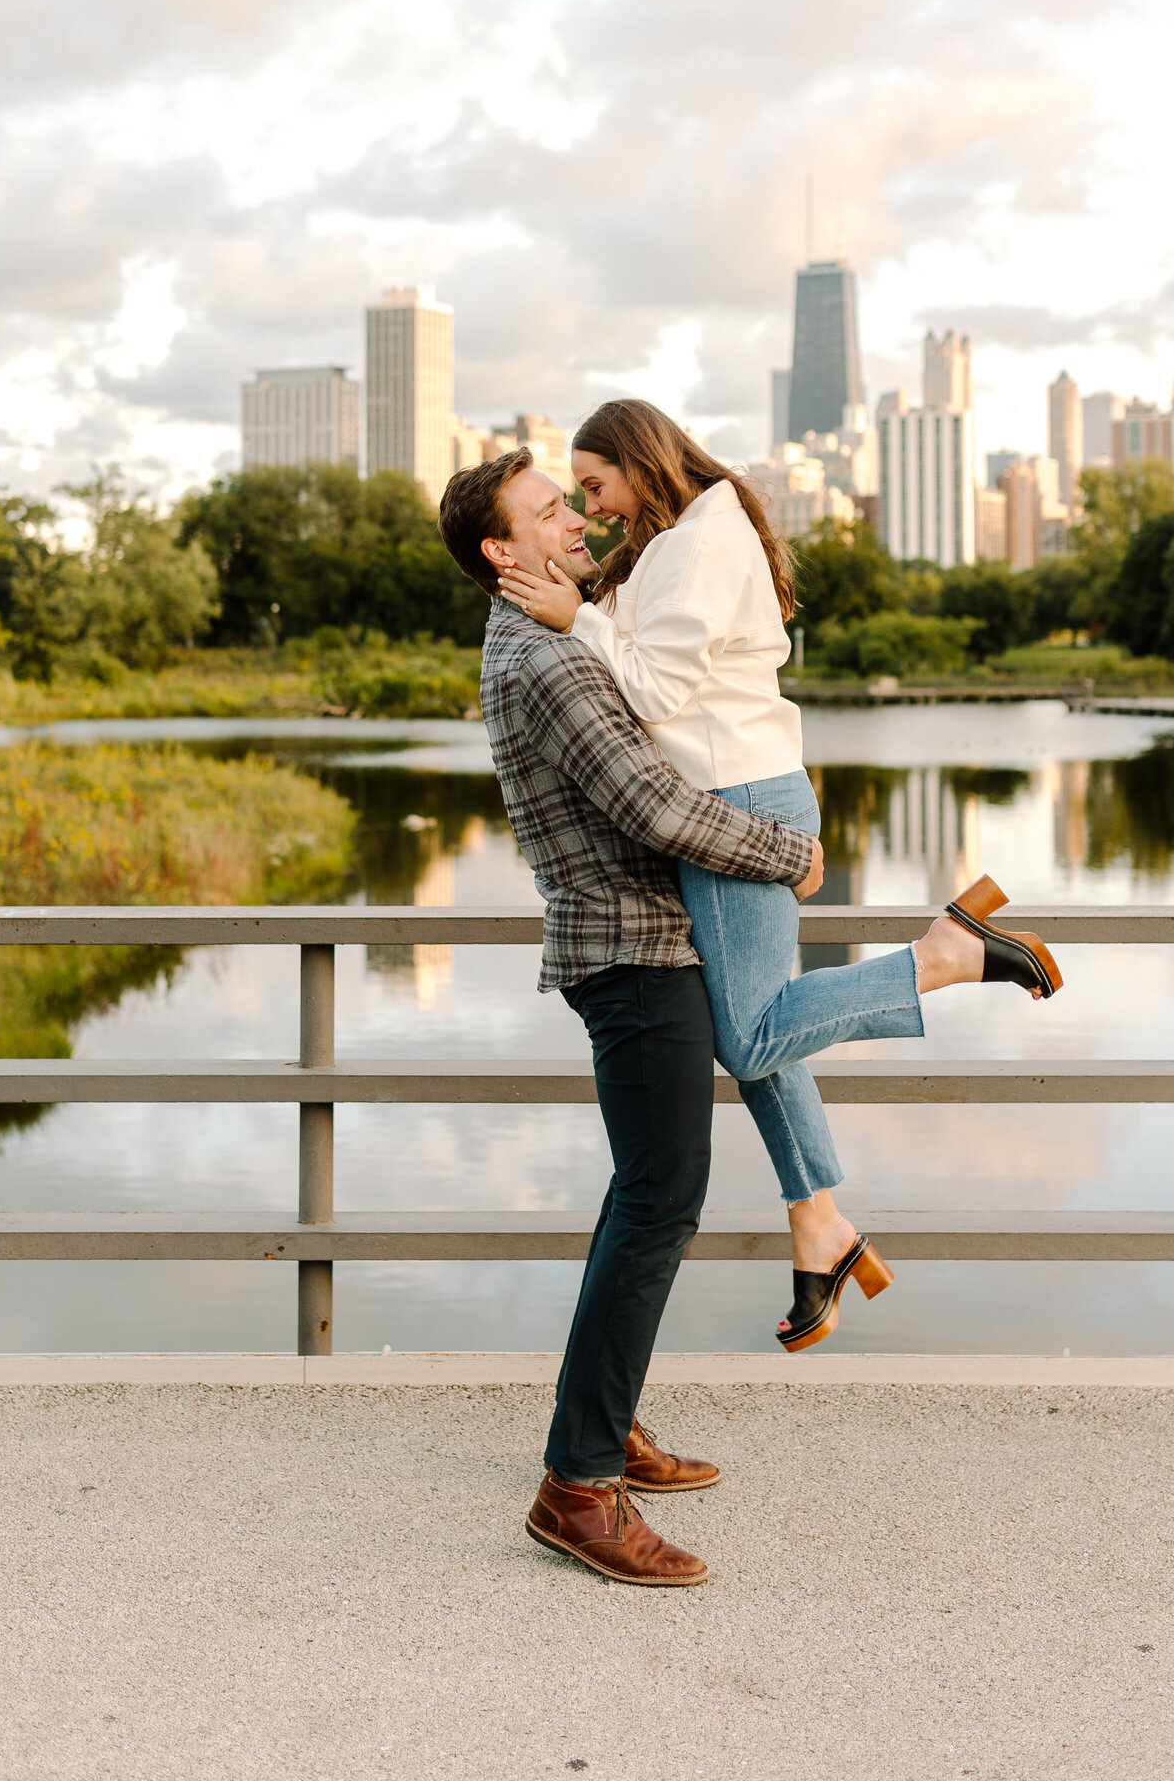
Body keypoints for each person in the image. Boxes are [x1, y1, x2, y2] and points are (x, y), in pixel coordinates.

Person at [495, 397, 1065, 1355]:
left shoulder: (701, 544)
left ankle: (943, 954)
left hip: (738, 804)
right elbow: (650, 661)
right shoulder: (679, 536)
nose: (591, 511)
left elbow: (652, 689)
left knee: (749, 1034)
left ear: (638, 462)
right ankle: (822, 1230)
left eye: (594, 487)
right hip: (733, 798)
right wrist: (587, 610)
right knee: (756, 1022)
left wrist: (570, 618)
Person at [437, 444, 823, 1588]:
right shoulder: (542, 660)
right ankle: (575, 1488)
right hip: (634, 955)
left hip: (635, 949)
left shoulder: (553, 632)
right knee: (661, 1200)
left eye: (571, 503)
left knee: (642, 1199)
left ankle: (604, 1430)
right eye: (549, 512)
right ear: (500, 551)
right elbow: (651, 804)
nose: (574, 523)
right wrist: (785, 853)